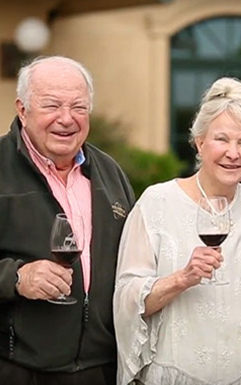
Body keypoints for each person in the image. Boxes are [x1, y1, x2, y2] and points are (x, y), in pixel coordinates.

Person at [113, 77, 241, 385]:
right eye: (221, 139)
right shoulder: (156, 203)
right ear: (199, 142)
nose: (233, 153)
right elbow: (126, 300)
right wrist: (183, 278)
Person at [0, 56, 135, 385]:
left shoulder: (110, 173)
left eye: (79, 107)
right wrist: (16, 277)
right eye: (51, 106)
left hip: (97, 370)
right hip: (16, 368)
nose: (66, 119)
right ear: (22, 109)